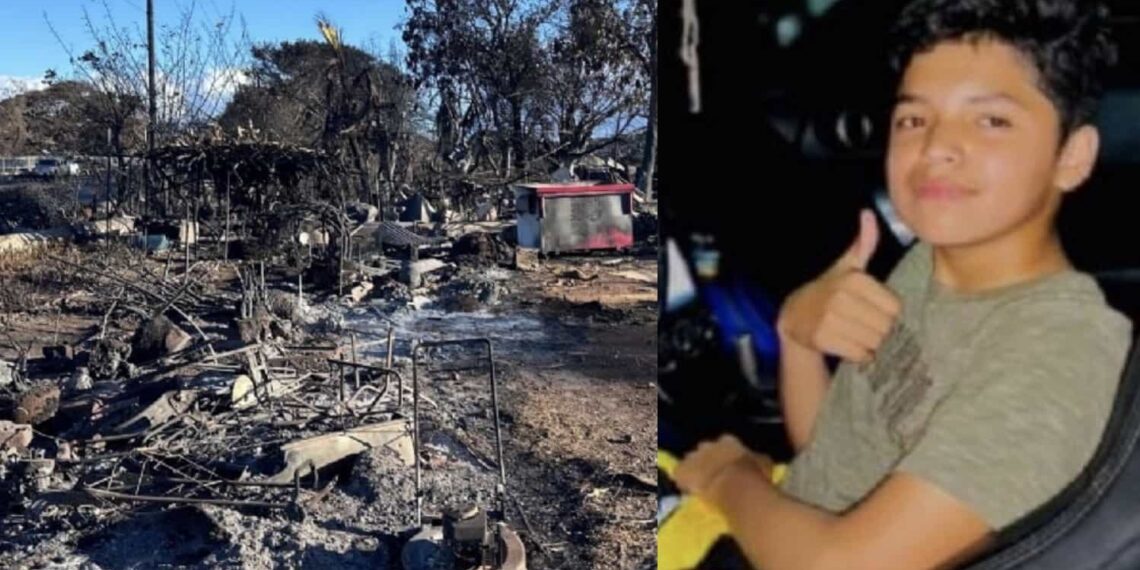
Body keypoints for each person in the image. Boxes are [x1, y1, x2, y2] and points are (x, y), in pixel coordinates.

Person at [671, 1, 1133, 569]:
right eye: (913, 119)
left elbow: (839, 566)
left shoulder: (1056, 354)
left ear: (1072, 155)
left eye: (991, 120)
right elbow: (836, 453)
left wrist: (730, 478)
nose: (935, 146)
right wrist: (797, 336)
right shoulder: (928, 261)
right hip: (781, 525)